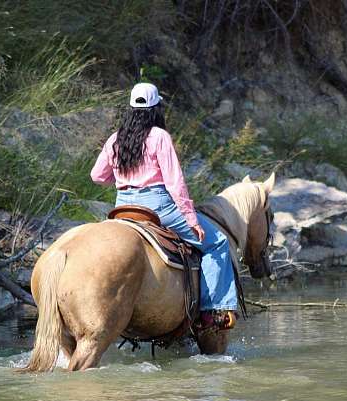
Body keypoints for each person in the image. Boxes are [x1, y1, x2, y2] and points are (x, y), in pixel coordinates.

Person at [90, 82, 238, 330]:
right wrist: (190, 218)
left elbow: (97, 176)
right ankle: (212, 311)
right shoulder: (159, 137)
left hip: (122, 207)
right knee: (218, 243)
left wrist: (122, 179)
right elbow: (175, 182)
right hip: (157, 206)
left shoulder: (115, 139)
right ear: (156, 108)